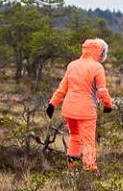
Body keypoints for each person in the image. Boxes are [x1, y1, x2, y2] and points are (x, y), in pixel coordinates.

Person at [47, 38, 114, 171]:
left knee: (74, 137)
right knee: (89, 142)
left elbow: (62, 88)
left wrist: (52, 104)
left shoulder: (72, 65)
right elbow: (102, 90)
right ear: (99, 52)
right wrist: (108, 105)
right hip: (86, 111)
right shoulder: (97, 67)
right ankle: (89, 171)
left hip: (69, 110)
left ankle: (72, 167)